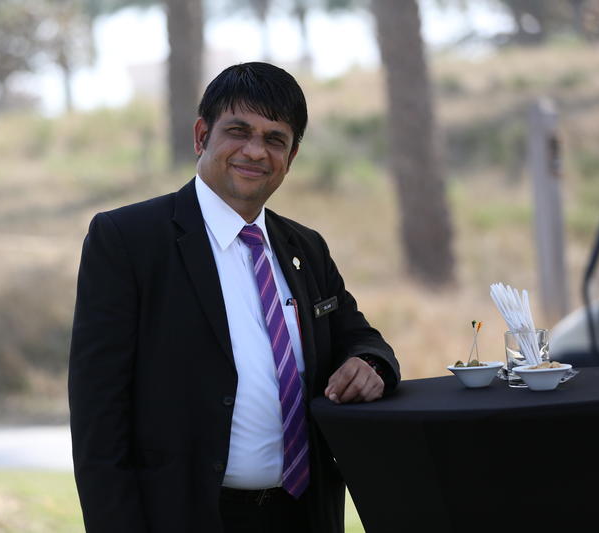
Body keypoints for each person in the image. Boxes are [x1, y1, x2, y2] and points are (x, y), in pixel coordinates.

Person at [68, 61, 400, 533]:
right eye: (238, 131)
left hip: (303, 514)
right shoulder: (128, 240)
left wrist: (370, 365)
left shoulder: (306, 247)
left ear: (292, 155)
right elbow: (98, 415)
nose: (255, 151)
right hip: (186, 516)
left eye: (274, 139)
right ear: (202, 135)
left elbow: (361, 338)